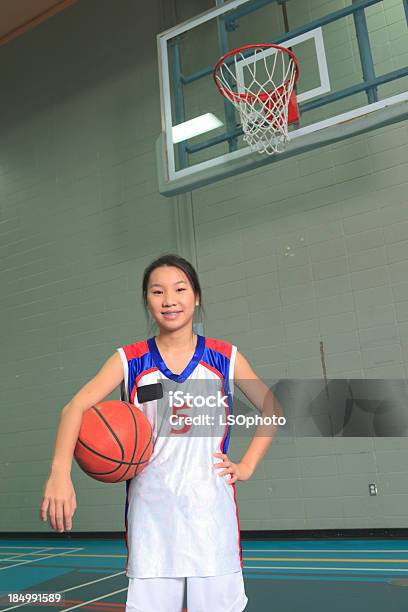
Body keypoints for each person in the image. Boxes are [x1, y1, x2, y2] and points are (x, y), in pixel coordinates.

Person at [40, 253, 282, 612]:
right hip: (152, 518)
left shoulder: (224, 356)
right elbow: (73, 408)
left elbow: (272, 408)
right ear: (147, 300)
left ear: (196, 296)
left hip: (210, 519)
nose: (170, 300)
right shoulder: (130, 359)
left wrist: (246, 466)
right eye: (158, 292)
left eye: (180, 289)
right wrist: (59, 473)